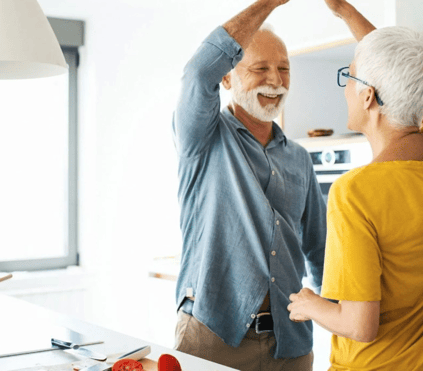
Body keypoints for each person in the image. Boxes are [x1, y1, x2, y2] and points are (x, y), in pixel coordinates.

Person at [287, 1, 423, 370]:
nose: (346, 88)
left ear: (368, 95)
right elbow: (404, 72)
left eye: (349, 76)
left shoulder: (355, 193)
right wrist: (343, 10)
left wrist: (311, 304)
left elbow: (359, 326)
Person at [171, 0, 327, 370]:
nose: (275, 81)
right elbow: (197, 73)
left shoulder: (300, 158)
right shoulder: (203, 138)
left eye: (284, 69)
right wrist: (270, 3)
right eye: (260, 68)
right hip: (214, 336)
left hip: (292, 342)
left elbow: (320, 250)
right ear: (227, 78)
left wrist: (340, 318)